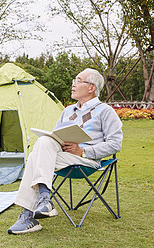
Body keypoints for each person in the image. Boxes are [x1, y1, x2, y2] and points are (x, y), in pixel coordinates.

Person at [8, 68, 123, 234]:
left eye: (77, 80)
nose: (73, 84)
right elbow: (54, 138)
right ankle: (44, 200)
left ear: (91, 87)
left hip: (86, 161)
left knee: (35, 157)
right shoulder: (68, 111)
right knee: (44, 141)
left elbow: (115, 144)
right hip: (62, 158)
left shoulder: (106, 111)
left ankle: (29, 214)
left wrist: (82, 151)